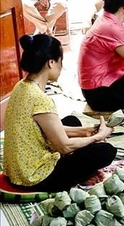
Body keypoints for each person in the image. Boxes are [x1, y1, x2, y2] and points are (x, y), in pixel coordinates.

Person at [3, 34, 116, 192]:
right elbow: (64, 146)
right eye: (60, 62)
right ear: (51, 62)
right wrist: (97, 137)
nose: (61, 67)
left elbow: (46, 128)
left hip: (17, 172)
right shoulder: (40, 99)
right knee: (106, 151)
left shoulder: (22, 86)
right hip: (35, 179)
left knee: (72, 121)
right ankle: (79, 176)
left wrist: (84, 131)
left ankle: (81, 170)